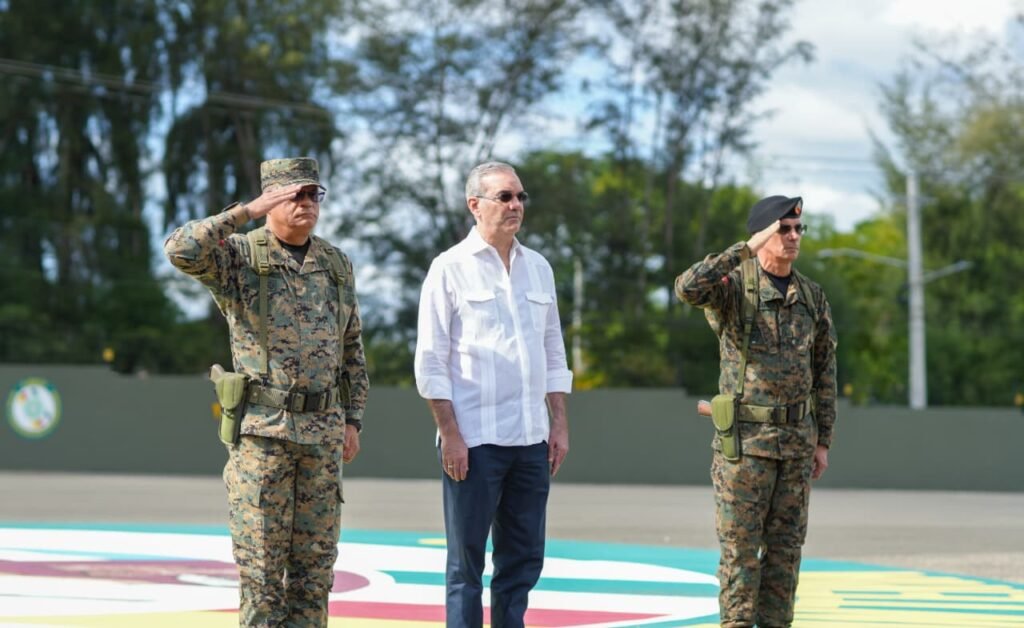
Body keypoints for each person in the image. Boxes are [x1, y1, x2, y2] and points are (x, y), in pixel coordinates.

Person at [164, 157, 369, 627]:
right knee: (260, 573)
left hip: (322, 436)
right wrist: (247, 211)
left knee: (314, 574)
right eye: (295, 194)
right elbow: (180, 249)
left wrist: (353, 419)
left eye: (313, 194)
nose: (306, 204)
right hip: (263, 435)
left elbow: (352, 347)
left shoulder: (335, 264)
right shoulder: (240, 256)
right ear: (272, 198)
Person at [414, 161, 573, 628]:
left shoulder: (539, 268)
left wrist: (558, 424)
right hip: (475, 442)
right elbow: (431, 360)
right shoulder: (449, 269)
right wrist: (450, 434)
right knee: (466, 566)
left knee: (522, 562)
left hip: (530, 440)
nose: (516, 205)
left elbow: (553, 351)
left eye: (520, 197)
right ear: (475, 205)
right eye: (505, 197)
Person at [675, 195, 837, 628]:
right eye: (783, 229)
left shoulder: (812, 297)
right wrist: (743, 249)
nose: (793, 237)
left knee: (786, 552)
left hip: (796, 445)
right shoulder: (734, 288)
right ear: (763, 233)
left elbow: (824, 371)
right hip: (744, 447)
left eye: (798, 229)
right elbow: (687, 287)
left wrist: (822, 441)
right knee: (741, 552)